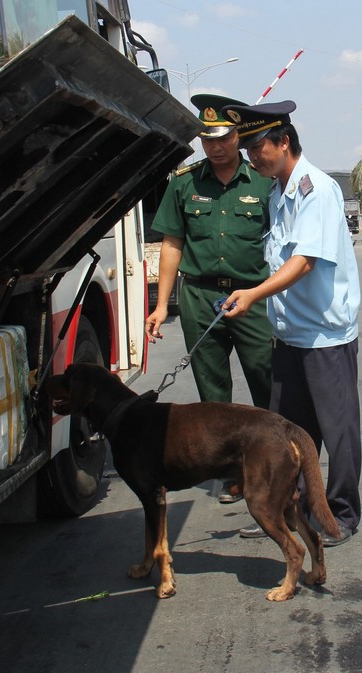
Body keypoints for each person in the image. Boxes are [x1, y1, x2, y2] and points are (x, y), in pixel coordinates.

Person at [219, 100, 362, 547]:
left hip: (324, 336)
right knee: (287, 438)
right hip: (289, 336)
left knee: (337, 435)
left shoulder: (315, 189)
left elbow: (303, 262)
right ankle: (286, 513)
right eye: (249, 150)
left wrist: (253, 294)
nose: (252, 156)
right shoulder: (279, 192)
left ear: (284, 141)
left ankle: (339, 516)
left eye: (258, 146)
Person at [145, 94, 274, 504]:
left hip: (251, 296)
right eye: (207, 139)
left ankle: (270, 466)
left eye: (223, 138)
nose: (216, 147)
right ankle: (231, 474)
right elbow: (171, 243)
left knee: (266, 382)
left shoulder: (264, 183)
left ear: (238, 136)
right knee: (212, 392)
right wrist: (163, 304)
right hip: (200, 297)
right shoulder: (184, 183)